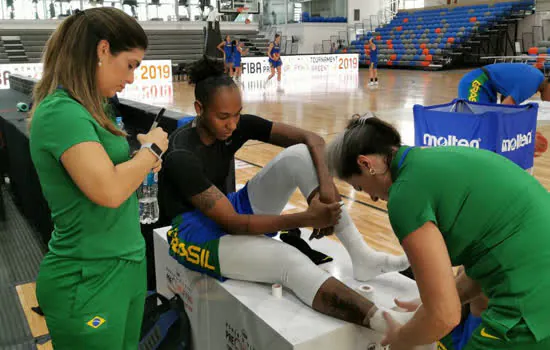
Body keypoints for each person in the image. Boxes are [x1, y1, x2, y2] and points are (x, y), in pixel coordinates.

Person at [158, 56, 411, 333]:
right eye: (223, 117)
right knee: (288, 261)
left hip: (228, 206)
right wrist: (306, 217)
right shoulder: (181, 154)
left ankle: (362, 256)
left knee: (299, 155)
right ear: (199, 109)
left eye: (237, 114)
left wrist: (325, 189)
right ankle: (388, 324)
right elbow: (234, 224)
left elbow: (312, 139)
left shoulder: (235, 125)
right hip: (193, 233)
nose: (232, 125)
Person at [326, 114, 550, 350]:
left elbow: (444, 317)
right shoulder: (431, 159)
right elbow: (487, 260)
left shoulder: (405, 195)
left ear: (366, 164)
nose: (371, 197)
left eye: (359, 187)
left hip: (532, 302)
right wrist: (429, 306)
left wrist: (399, 341)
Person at [28, 8, 169, 349]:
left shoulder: (95, 110)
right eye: (131, 64)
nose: (133, 77)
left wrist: (136, 164)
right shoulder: (61, 111)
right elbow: (108, 190)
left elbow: (107, 175)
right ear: (103, 50)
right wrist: (151, 152)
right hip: (87, 277)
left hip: (126, 265)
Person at [457, 62, 550, 105]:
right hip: (476, 82)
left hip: (487, 86)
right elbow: (506, 107)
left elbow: (506, 97)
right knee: (476, 120)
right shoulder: (531, 84)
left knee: (486, 119)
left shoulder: (537, 77)